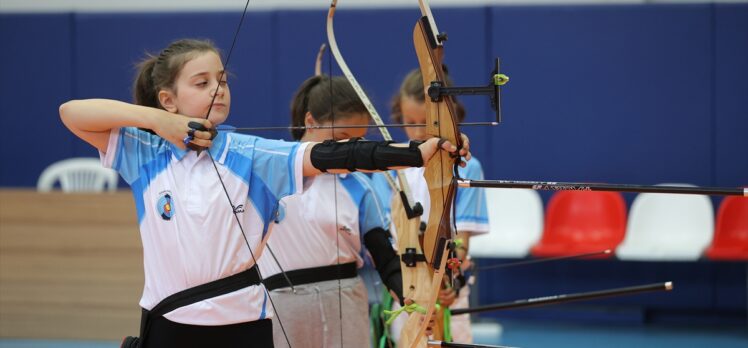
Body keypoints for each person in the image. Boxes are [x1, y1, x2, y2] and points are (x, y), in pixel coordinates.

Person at [58, 39, 469, 348]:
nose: (217, 89)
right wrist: (159, 123)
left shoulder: (252, 154)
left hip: (241, 326)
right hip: (168, 322)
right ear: (169, 98)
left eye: (222, 80)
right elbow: (72, 113)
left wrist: (418, 151)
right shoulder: (142, 152)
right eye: (201, 83)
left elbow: (334, 155)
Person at [257, 75, 404, 348]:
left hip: (346, 301)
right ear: (310, 121)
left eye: (358, 141)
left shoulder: (359, 184)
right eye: (340, 138)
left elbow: (383, 256)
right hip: (281, 304)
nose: (351, 151)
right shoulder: (268, 169)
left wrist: (410, 295)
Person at [373, 68, 489, 344]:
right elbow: (383, 233)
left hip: (447, 290)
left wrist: (450, 277)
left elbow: (461, 239)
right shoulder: (390, 165)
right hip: (406, 285)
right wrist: (398, 283)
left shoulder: (467, 165)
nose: (417, 131)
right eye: (409, 121)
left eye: (426, 122)